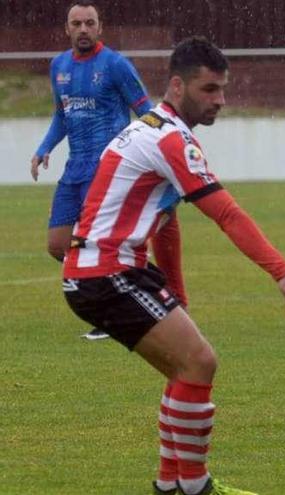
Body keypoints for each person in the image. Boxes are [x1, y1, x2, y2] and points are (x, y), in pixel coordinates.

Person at [62, 36, 285, 495]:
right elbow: (227, 214)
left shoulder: (153, 129)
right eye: (209, 89)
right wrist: (284, 271)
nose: (220, 100)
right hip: (107, 272)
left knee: (186, 370)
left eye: (222, 89)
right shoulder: (169, 138)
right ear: (177, 87)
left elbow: (166, 224)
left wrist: (177, 295)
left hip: (107, 270)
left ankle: (169, 485)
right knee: (200, 362)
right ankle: (196, 486)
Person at [30, 0, 160, 340]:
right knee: (58, 246)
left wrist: (156, 154)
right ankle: (150, 280)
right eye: (77, 23)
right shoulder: (58, 66)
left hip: (108, 169)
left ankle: (111, 312)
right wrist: (44, 148)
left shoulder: (116, 65)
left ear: (100, 27)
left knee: (95, 245)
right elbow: (62, 114)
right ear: (67, 28)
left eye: (90, 23)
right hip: (75, 169)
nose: (83, 29)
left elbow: (145, 111)